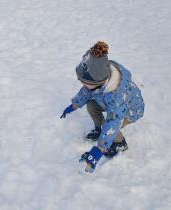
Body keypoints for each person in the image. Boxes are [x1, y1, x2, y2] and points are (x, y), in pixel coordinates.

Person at [60, 42, 144, 173]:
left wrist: (99, 148)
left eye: (84, 81)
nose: (81, 82)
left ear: (97, 83)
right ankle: (99, 129)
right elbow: (86, 91)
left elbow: (114, 122)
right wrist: (74, 105)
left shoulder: (117, 95)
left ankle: (121, 143)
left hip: (130, 110)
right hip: (107, 101)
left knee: (108, 124)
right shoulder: (99, 77)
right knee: (92, 105)